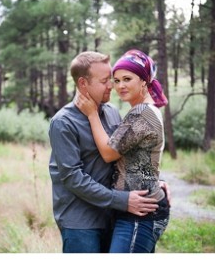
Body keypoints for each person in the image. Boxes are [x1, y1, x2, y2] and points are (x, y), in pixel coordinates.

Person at [48, 51, 163, 253]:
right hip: (81, 222)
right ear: (83, 84)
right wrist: (123, 201)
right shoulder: (63, 123)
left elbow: (129, 156)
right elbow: (73, 178)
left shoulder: (111, 112)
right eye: (105, 81)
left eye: (112, 79)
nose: (112, 85)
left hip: (114, 216)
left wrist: (155, 183)